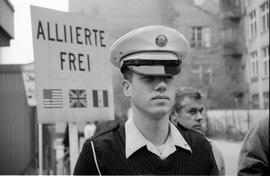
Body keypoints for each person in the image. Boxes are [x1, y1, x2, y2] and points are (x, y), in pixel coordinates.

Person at [74, 25, 218, 175]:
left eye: (168, 77)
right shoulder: (99, 152)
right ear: (127, 87)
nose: (161, 85)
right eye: (148, 77)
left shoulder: (201, 148)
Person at [170, 86, 225, 175]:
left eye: (201, 111)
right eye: (192, 112)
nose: (200, 117)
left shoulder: (212, 150)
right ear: (173, 115)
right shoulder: (162, 150)